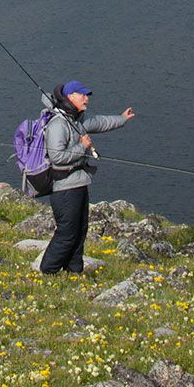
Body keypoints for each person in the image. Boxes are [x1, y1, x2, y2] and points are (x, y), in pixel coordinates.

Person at [39, 79, 135, 275]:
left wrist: (122, 119)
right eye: (82, 95)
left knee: (80, 232)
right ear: (70, 97)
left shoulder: (77, 119)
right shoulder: (58, 124)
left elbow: (99, 122)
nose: (86, 99)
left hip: (79, 185)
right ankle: (47, 271)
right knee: (67, 234)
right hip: (64, 189)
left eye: (87, 95)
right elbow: (57, 157)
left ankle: (74, 273)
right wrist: (82, 147)